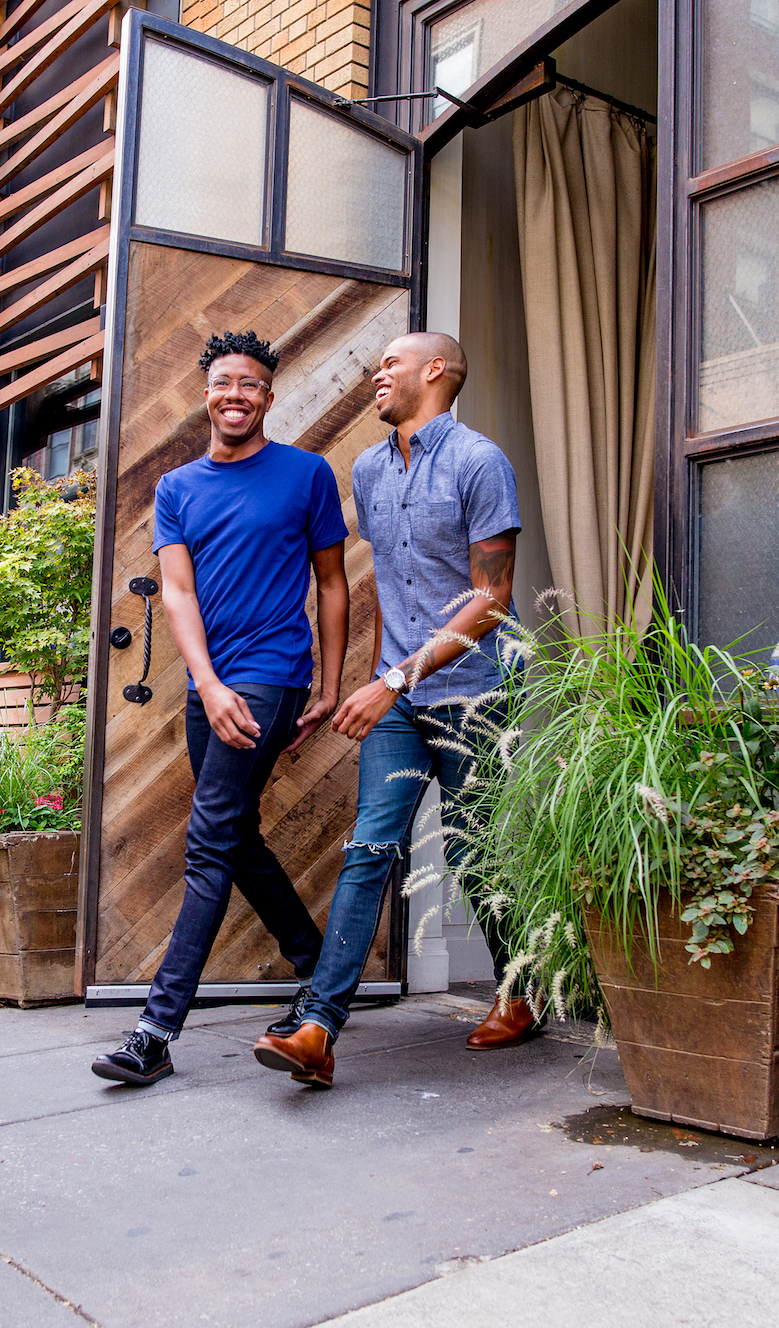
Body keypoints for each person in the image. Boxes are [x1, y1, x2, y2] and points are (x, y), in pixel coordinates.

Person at [253, 332, 528, 1091]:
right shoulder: (371, 467)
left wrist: (395, 679)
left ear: (435, 371)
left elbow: (491, 601)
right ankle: (318, 1028)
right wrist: (370, 677)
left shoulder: (480, 462)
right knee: (371, 846)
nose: (376, 376)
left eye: (390, 366)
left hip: (471, 695)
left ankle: (524, 989)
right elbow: (391, 588)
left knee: (480, 855)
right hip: (398, 697)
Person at [91, 330, 350, 1086]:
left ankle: (156, 1029)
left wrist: (329, 684)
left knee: (208, 842)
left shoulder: (305, 475)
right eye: (224, 382)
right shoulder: (175, 489)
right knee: (234, 837)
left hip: (272, 675)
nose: (236, 395)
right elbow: (177, 591)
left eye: (252, 385)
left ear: (269, 397)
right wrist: (203, 680)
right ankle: (319, 972)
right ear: (206, 393)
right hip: (212, 682)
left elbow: (331, 583)